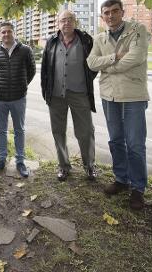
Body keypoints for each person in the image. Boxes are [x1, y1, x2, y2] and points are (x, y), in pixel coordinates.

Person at [86, 0, 149, 211]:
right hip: (109, 96)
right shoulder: (99, 38)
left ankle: (138, 188)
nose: (110, 15)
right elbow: (91, 62)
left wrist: (109, 66)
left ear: (122, 12)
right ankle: (122, 180)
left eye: (114, 11)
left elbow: (136, 58)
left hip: (133, 96)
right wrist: (114, 57)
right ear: (102, 16)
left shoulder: (137, 30)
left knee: (135, 145)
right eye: (106, 12)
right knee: (116, 141)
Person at [40, 9, 98, 182]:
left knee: (85, 131)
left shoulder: (86, 40)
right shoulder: (51, 42)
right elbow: (44, 69)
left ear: (75, 22)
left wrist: (84, 80)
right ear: (58, 23)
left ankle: (89, 166)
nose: (66, 23)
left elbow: (93, 67)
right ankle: (63, 166)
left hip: (79, 93)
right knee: (58, 131)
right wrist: (46, 91)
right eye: (63, 20)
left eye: (70, 19)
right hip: (56, 94)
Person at [0, 22, 36, 177]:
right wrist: (4, 85)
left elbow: (32, 70)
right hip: (0, 98)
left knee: (19, 130)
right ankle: (1, 160)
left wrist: (21, 85)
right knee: (1, 130)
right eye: (3, 32)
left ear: (14, 33)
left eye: (9, 31)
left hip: (18, 98)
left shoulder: (25, 50)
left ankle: (20, 162)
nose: (6, 35)